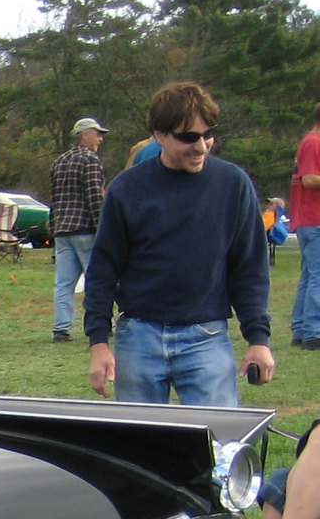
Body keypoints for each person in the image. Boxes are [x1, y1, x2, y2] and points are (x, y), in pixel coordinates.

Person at [83, 81, 271, 407]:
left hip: (207, 338)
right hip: (138, 337)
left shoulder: (233, 185)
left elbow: (250, 267)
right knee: (140, 448)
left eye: (208, 134)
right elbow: (103, 269)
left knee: (219, 445)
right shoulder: (127, 189)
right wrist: (98, 343)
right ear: (159, 135)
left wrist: (258, 339)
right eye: (188, 137)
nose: (201, 145)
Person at [48, 117, 107, 342]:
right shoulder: (90, 160)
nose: (100, 138)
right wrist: (103, 227)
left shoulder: (59, 161)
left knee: (63, 283)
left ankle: (60, 329)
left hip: (62, 231)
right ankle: (97, 326)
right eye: (97, 133)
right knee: (95, 281)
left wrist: (52, 226)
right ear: (85, 135)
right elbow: (94, 196)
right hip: (85, 230)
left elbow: (54, 198)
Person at [290, 104, 320, 350]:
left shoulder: (310, 142)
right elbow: (310, 179)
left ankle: (301, 329)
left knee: (310, 275)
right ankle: (313, 332)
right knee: (318, 277)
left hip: (310, 220)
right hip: (314, 219)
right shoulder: (313, 143)